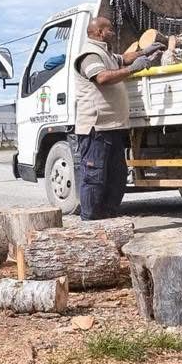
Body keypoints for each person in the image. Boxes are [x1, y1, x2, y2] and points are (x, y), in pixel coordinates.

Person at [73, 17, 164, 220]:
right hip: (96, 128)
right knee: (95, 178)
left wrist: (143, 52)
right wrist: (134, 68)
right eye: (110, 30)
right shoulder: (89, 54)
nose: (113, 32)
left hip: (113, 127)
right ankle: (90, 222)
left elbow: (122, 58)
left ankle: (109, 219)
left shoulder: (104, 52)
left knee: (116, 178)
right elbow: (102, 78)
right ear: (99, 32)